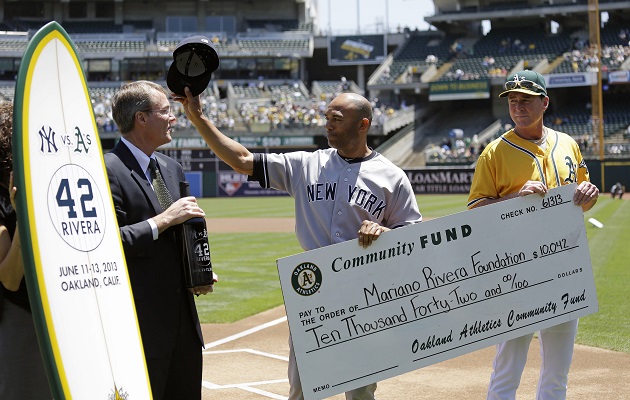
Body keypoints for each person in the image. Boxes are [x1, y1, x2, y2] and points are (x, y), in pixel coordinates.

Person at [175, 88, 422, 400]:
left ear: (363, 124)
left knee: (360, 390)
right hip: (313, 285)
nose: (328, 125)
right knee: (304, 387)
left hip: (364, 289)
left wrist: (384, 232)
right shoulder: (307, 164)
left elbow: (413, 236)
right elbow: (241, 160)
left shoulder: (392, 177)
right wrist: (198, 118)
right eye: (326, 118)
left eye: (337, 119)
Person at [467, 70, 599, 400]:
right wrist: (513, 198)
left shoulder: (568, 144)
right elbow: (475, 212)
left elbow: (584, 196)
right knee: (508, 368)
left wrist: (589, 193)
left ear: (545, 102)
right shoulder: (494, 152)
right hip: (516, 273)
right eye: (512, 100)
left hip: (565, 268)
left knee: (557, 372)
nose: (518, 106)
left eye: (526, 99)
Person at [104, 81, 216, 399]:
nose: (173, 118)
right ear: (141, 118)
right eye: (165, 111)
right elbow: (111, 243)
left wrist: (198, 272)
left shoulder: (169, 167)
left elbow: (182, 232)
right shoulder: (106, 169)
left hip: (184, 323)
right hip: (142, 327)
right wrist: (163, 219)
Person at [0, 102, 51, 398]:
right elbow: (9, 278)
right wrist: (23, 217)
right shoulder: (6, 196)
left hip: (52, 308)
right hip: (18, 314)